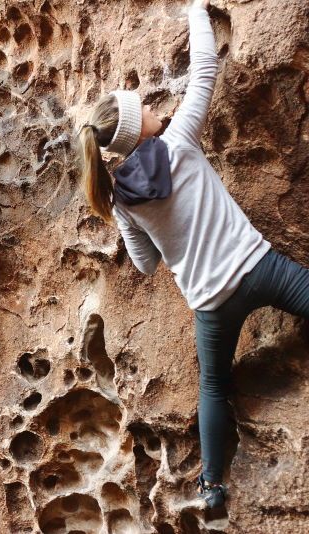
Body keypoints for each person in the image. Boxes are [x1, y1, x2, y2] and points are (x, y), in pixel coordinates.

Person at [76, 0, 309, 508]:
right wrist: (197, 9)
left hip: (211, 302)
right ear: (140, 125)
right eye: (145, 106)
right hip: (259, 267)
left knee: (213, 387)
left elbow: (144, 264)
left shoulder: (118, 200)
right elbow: (205, 67)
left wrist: (163, 234)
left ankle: (211, 486)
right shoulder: (178, 142)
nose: (155, 106)